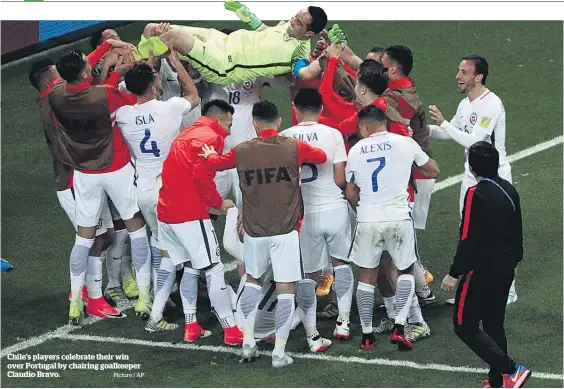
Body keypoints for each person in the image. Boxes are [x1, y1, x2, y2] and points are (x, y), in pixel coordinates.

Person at [200, 101, 327, 367]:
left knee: (252, 281)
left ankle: (248, 344)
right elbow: (322, 157)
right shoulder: (293, 146)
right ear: (278, 122)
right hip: (285, 231)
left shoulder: (242, 150)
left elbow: (216, 163)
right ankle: (279, 353)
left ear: (255, 124)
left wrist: (210, 154)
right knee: (286, 289)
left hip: (255, 231)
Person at [48, 48, 151, 325]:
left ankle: (75, 302)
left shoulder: (56, 94)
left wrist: (104, 53)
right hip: (116, 167)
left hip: (84, 173)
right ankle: (143, 296)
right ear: (84, 72)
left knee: (84, 237)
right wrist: (121, 69)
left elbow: (77, 75)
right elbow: (133, 95)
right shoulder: (103, 94)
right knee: (136, 227)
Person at [29, 57, 123, 318]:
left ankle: (81, 291)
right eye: (58, 73)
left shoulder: (57, 98)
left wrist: (103, 63)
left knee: (104, 237)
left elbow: (85, 91)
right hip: (73, 180)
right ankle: (90, 298)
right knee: (91, 239)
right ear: (50, 80)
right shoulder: (53, 101)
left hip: (83, 177)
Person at [116, 52, 199, 332]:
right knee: (178, 252)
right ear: (153, 86)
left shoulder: (124, 115)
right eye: (157, 77)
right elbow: (194, 96)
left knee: (159, 243)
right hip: (170, 190)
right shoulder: (170, 108)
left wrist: (144, 68)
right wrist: (177, 66)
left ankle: (151, 297)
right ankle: (159, 311)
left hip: (145, 190)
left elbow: (124, 90)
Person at [345, 105, 439, 351]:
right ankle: (400, 325)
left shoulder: (355, 150)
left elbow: (350, 190)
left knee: (367, 276)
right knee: (405, 271)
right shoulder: (404, 143)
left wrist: (362, 209)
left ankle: (366, 335)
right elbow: (433, 169)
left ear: (364, 127)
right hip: (398, 216)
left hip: (368, 218)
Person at [428, 54, 517, 305]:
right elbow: (451, 133)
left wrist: (444, 123)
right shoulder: (466, 104)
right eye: (459, 71)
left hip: (494, 177)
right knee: (468, 231)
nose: (458, 76)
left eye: (464, 72)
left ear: (478, 77)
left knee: (499, 233)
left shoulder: (491, 103)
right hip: (471, 178)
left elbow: (475, 141)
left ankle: (508, 288)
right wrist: (420, 130)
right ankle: (471, 288)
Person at [441, 141, 530, 388]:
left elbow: (467, 238)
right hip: (505, 268)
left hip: (481, 271)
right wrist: (513, 262)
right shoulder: (509, 189)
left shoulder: (475, 193)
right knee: (493, 323)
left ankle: (511, 370)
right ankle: (498, 381)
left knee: (463, 325)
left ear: (471, 167)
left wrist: (454, 273)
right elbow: (518, 231)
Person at [156, 99, 242, 345]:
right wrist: (218, 203)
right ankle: (231, 329)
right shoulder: (213, 138)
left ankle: (191, 326)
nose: (229, 129)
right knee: (214, 269)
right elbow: (201, 176)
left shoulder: (187, 132)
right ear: (218, 118)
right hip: (189, 213)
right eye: (229, 123)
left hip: (167, 211)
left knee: (191, 268)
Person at [280, 88, 353, 341]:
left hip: (304, 213)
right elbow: (340, 177)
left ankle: (311, 331)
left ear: (295, 109)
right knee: (341, 264)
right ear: (321, 109)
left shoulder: (284, 137)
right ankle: (343, 322)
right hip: (334, 207)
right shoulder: (333, 134)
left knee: (309, 273)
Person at [134, 3, 332, 85]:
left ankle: (132, 59)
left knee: (173, 37)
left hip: (223, 65)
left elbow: (305, 73)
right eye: (295, 15)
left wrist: (330, 53)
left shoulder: (299, 53)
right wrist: (246, 14)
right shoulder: (287, 24)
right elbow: (267, 32)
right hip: (219, 40)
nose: (292, 20)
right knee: (152, 28)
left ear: (308, 33)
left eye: (298, 22)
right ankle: (137, 62)